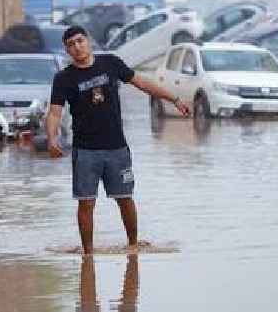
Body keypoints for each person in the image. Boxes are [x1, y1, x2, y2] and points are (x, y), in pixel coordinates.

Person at [46, 25, 190, 255]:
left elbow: (142, 83)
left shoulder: (111, 63)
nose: (77, 47)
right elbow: (54, 112)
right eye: (71, 45)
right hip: (85, 151)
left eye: (80, 41)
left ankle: (133, 245)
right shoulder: (64, 78)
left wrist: (173, 98)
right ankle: (88, 254)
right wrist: (52, 139)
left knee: (124, 198)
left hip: (117, 148)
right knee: (86, 203)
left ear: (89, 41)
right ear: (67, 50)